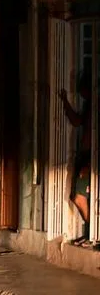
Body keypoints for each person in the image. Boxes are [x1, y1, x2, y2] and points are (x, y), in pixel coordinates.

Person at [60, 72, 94, 245]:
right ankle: (91, 232)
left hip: (90, 158)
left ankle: (93, 231)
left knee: (79, 197)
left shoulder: (95, 106)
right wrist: (65, 101)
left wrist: (90, 163)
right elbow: (77, 121)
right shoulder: (90, 105)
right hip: (86, 156)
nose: (81, 93)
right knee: (82, 196)